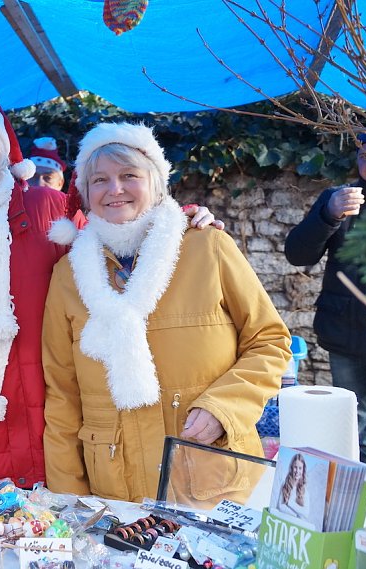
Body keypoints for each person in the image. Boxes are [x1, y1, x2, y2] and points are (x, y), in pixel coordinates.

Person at [0, 83, 219, 488]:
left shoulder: (48, 209)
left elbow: (116, 248)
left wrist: (172, 224)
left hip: (66, 442)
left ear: (0, 144)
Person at [41, 122, 291, 502]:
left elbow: (270, 341)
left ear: (155, 182)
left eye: (129, 176)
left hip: (213, 484)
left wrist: (223, 407)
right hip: (114, 494)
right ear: (85, 191)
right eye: (100, 180)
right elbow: (61, 396)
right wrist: (67, 501)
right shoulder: (67, 276)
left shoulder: (208, 247)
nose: (115, 189)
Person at [284, 128, 366, 499]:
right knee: (353, 426)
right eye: (364, 156)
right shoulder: (337, 199)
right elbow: (298, 255)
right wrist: (328, 215)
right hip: (347, 333)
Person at [276, 453, 310, 522]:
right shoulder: (285, 485)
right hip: (283, 522)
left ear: (303, 470)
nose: (297, 471)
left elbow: (306, 513)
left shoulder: (305, 491)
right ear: (291, 468)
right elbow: (280, 506)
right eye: (295, 467)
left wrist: (289, 503)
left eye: (300, 468)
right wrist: (297, 515)